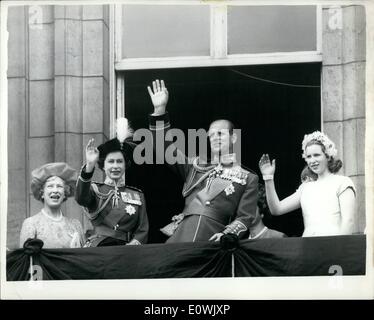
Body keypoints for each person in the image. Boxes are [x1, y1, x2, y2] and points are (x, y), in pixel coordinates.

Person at [147, 79, 258, 243]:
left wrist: (228, 234)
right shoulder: (196, 166)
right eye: (211, 135)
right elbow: (165, 150)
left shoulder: (248, 178)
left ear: (234, 137)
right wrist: (159, 110)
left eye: (220, 134)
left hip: (213, 239)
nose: (215, 138)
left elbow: (245, 216)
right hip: (181, 236)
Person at [259, 131, 356, 237]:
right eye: (309, 156)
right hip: (309, 247)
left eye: (316, 155)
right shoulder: (305, 188)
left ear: (328, 156)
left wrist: (340, 250)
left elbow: (348, 222)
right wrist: (268, 178)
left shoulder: (342, 183)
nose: (312, 160)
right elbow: (276, 209)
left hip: (334, 246)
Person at [75, 118, 149, 247]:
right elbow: (81, 198)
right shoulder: (95, 189)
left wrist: (134, 244)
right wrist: (90, 166)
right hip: (99, 247)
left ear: (125, 165)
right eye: (111, 161)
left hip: (126, 251)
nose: (115, 166)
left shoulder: (137, 195)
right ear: (103, 166)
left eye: (119, 162)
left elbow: (142, 229)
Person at [19, 162, 84, 248]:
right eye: (50, 186)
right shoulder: (31, 224)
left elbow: (84, 257)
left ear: (65, 193)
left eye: (59, 186)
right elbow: (26, 259)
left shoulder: (76, 225)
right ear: (42, 193)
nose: (55, 190)